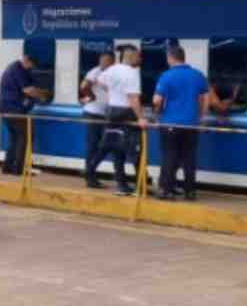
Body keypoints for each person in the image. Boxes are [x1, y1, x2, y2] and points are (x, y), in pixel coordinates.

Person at [86, 44, 145, 194]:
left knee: (113, 147)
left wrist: (113, 91)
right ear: (130, 56)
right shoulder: (132, 73)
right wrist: (141, 118)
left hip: (111, 111)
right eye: (138, 56)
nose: (140, 58)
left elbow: (100, 81)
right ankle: (138, 183)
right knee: (133, 148)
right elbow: (133, 97)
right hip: (126, 113)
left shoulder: (113, 69)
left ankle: (119, 183)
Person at [152, 46, 209, 201]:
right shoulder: (198, 75)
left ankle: (166, 190)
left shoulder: (166, 76)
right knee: (189, 158)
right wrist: (202, 119)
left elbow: (157, 100)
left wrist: (157, 116)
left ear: (171, 58)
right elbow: (205, 99)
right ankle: (190, 192)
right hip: (191, 124)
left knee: (169, 156)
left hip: (170, 123)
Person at [0, 53, 51, 175]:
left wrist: (40, 91)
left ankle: (7, 167)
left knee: (15, 138)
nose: (31, 67)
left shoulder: (15, 67)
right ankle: (19, 170)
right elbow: (28, 90)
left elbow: (29, 87)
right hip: (13, 109)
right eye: (31, 64)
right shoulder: (18, 69)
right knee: (25, 137)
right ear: (26, 60)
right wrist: (43, 95)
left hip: (6, 108)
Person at [80, 50, 114, 184]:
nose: (103, 63)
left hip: (102, 114)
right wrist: (91, 96)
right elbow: (84, 86)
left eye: (106, 61)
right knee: (93, 145)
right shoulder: (95, 71)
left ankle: (90, 173)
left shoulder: (110, 73)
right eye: (102, 60)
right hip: (94, 113)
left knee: (102, 145)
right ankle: (90, 176)